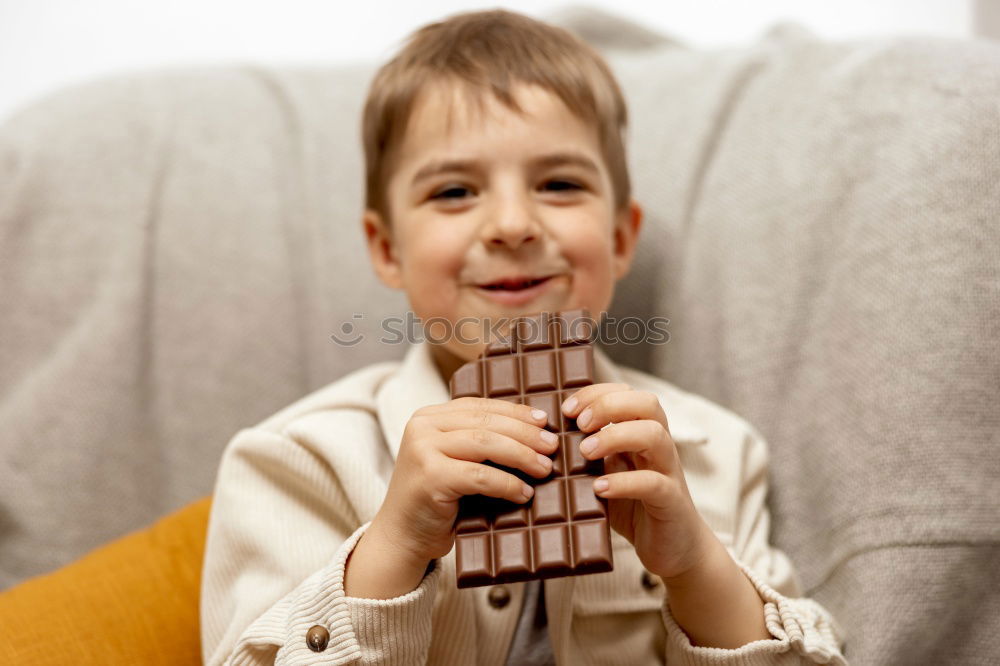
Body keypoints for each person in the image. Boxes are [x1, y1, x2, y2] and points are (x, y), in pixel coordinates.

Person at [200, 9, 847, 665]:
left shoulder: (715, 455)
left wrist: (697, 568)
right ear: (387, 247)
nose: (512, 224)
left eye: (559, 184)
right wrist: (392, 548)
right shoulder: (294, 461)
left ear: (621, 238)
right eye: (454, 191)